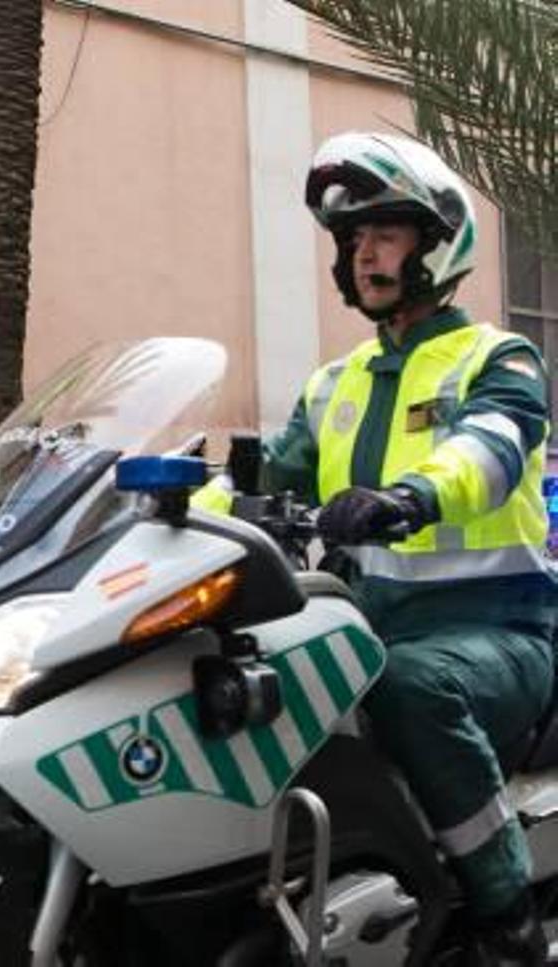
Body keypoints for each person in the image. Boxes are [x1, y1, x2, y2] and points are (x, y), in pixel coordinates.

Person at [201, 132, 554, 964]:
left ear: (436, 245)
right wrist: (155, 519)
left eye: (385, 235)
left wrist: (410, 497)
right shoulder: (335, 382)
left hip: (493, 635)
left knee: (408, 686)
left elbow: (489, 450)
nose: (364, 254)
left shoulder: (497, 357)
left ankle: (507, 917)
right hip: (363, 628)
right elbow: (260, 478)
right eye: (353, 238)